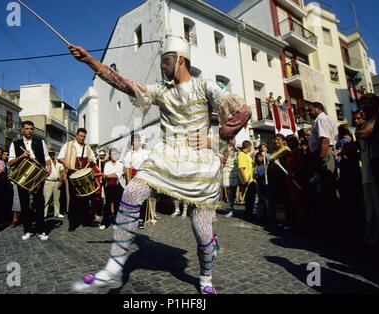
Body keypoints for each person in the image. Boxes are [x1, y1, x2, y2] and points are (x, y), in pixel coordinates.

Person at [69, 36, 251, 294]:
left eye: (166, 61)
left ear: (181, 60)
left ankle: (206, 277)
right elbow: (124, 84)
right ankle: (112, 270)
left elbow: (243, 112)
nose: (162, 67)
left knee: (201, 231)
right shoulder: (160, 90)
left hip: (200, 164)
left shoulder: (205, 86)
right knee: (132, 193)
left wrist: (214, 138)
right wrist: (89, 61)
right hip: (166, 156)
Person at [356, 94, 379, 251]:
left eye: (364, 105)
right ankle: (374, 240)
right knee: (373, 207)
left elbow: (363, 134)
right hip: (371, 166)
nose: (361, 110)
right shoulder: (369, 120)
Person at [8, 121, 51, 241]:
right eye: (27, 128)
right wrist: (22, 156)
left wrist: (49, 167)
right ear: (22, 129)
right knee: (24, 204)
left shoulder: (40, 142)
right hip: (22, 176)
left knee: (39, 203)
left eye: (31, 129)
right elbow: (10, 163)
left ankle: (42, 230)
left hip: (37, 175)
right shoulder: (15, 144)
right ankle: (27, 230)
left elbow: (47, 158)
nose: (29, 131)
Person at [307, 102, 339, 235]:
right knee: (324, 190)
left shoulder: (321, 118)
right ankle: (329, 223)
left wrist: (320, 159)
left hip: (323, 154)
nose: (309, 112)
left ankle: (331, 226)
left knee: (327, 189)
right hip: (321, 154)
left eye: (311, 110)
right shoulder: (320, 120)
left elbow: (325, 140)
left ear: (318, 108)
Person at [58, 128, 96, 232]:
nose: (82, 138)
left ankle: (86, 220)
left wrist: (91, 160)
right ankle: (72, 223)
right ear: (76, 135)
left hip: (83, 175)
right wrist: (66, 163)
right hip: (72, 175)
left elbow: (94, 159)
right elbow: (60, 157)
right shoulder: (68, 145)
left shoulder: (87, 147)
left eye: (84, 136)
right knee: (73, 200)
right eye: (80, 136)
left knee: (85, 199)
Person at [123, 134, 150, 229]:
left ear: (140, 142)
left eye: (138, 140)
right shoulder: (128, 154)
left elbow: (149, 165)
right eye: (134, 141)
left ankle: (141, 219)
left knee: (142, 199)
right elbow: (127, 168)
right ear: (132, 142)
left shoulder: (145, 153)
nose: (136, 142)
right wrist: (128, 181)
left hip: (143, 177)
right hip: (133, 177)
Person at [100, 148, 124, 230]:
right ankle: (104, 223)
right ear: (110, 155)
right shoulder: (107, 164)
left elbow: (117, 175)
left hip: (117, 186)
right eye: (112, 154)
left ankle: (116, 222)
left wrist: (108, 175)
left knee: (117, 204)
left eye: (115, 154)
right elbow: (105, 175)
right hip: (108, 186)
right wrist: (108, 175)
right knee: (107, 205)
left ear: (118, 155)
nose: (114, 155)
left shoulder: (120, 165)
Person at [237, 141, 256, 221]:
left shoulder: (247, 154)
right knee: (249, 199)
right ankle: (248, 216)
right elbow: (241, 168)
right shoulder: (241, 155)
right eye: (250, 147)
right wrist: (245, 180)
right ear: (248, 147)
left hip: (251, 179)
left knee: (251, 198)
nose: (251, 148)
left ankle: (250, 214)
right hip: (247, 180)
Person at [44, 151, 65, 218]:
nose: (51, 155)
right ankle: (44, 214)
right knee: (46, 199)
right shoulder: (46, 163)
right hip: (48, 181)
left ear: (55, 154)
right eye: (50, 154)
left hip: (57, 182)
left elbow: (62, 173)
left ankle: (57, 213)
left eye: (52, 154)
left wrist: (60, 182)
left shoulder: (59, 164)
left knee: (57, 199)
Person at [222, 137, 239, 218]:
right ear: (229, 141)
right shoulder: (224, 149)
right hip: (227, 171)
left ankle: (232, 209)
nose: (235, 141)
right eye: (233, 140)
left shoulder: (236, 150)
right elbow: (223, 160)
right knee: (229, 191)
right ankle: (231, 208)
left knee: (233, 191)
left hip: (234, 171)